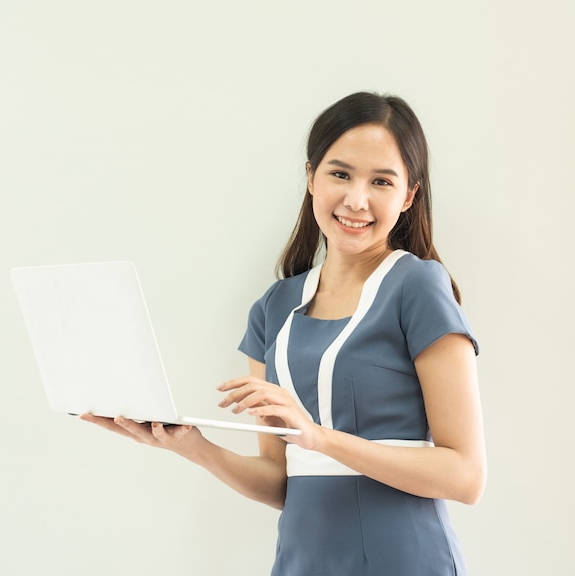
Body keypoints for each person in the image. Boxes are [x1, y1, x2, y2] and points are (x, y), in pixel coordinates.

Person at [82, 91, 486, 576]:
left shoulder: (417, 286)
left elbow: (466, 476)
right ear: (311, 176)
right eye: (340, 173)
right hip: (302, 562)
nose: (357, 199)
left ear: (409, 195)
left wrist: (319, 437)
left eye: (381, 180)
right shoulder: (274, 308)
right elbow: (282, 479)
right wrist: (192, 446)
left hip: (404, 560)